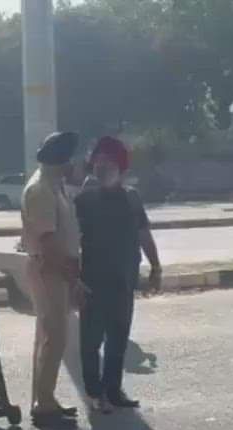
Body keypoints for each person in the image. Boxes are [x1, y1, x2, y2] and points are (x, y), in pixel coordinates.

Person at [75, 136, 162, 414]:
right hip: (92, 282)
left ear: (121, 168)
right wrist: (73, 280)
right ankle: (94, 393)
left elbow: (143, 233)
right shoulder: (84, 199)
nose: (102, 167)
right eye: (98, 161)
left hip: (123, 281)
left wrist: (156, 267)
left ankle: (113, 389)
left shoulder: (131, 198)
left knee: (118, 339)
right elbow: (70, 242)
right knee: (90, 342)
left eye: (108, 162)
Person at [22, 131, 83, 429]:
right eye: (71, 159)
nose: (74, 164)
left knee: (49, 337)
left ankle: (43, 399)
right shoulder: (41, 190)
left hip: (55, 269)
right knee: (54, 336)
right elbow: (47, 243)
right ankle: (44, 404)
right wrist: (73, 276)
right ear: (62, 160)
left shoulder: (54, 185)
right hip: (49, 269)